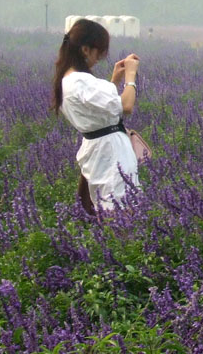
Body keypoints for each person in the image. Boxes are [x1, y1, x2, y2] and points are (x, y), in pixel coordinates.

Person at [53, 18, 142, 213]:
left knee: (106, 207)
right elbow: (126, 105)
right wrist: (130, 77)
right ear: (85, 49)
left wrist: (114, 81)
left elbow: (98, 110)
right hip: (110, 153)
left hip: (99, 151)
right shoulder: (80, 81)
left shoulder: (67, 79)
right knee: (120, 210)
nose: (99, 57)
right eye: (99, 52)